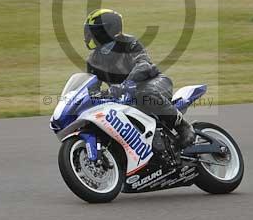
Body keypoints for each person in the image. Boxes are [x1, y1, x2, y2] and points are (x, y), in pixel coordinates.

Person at [83, 8, 195, 147]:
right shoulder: (93, 60)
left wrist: (128, 82)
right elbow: (91, 86)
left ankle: (183, 127)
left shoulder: (129, 42)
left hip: (153, 82)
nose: (89, 35)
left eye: (94, 31)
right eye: (88, 31)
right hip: (124, 95)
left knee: (143, 94)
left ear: (107, 30)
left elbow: (143, 64)